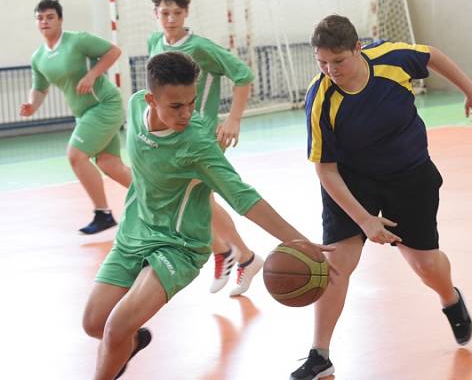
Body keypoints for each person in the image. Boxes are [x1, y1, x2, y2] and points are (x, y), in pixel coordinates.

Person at [82, 51, 330, 379]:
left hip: (178, 247)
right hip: (134, 232)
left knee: (115, 327)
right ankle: (133, 340)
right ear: (151, 99)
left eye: (191, 103)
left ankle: (121, 342)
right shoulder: (134, 105)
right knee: (94, 324)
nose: (186, 113)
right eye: (176, 106)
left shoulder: (197, 143)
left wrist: (298, 241)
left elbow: (244, 198)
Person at [291, 15, 472, 380]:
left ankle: (450, 300)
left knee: (425, 265)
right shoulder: (320, 100)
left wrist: (469, 88)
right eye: (322, 63)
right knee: (335, 263)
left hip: (408, 174)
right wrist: (364, 219)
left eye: (338, 61)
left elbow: (432, 56)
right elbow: (325, 170)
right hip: (351, 179)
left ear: (357, 49)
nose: (330, 70)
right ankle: (320, 355)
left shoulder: (392, 59)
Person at [148, 0, 262, 297]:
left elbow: (243, 75)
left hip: (203, 133)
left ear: (186, 14)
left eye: (177, 13)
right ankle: (234, 253)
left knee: (196, 197)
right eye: (165, 12)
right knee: (197, 199)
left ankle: (235, 253)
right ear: (155, 14)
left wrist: (234, 118)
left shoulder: (199, 48)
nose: (170, 19)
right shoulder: (155, 42)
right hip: (174, 135)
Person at [20, 0, 131, 234]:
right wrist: (32, 105)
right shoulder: (38, 57)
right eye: (40, 18)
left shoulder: (78, 40)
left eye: (50, 17)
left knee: (75, 155)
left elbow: (114, 51)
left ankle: (102, 214)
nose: (45, 21)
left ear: (60, 19)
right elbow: (40, 89)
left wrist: (92, 75)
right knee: (109, 164)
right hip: (83, 114)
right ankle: (157, 198)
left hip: (104, 104)